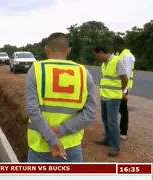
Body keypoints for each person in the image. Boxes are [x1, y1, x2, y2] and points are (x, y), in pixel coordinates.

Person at [26, 32, 97, 162]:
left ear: (46, 49)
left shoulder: (36, 69)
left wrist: (51, 139)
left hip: (40, 147)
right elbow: (90, 112)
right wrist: (61, 130)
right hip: (71, 147)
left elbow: (32, 110)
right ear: (68, 50)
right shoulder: (83, 72)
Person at [93, 45, 128, 157]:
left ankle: (115, 146)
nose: (96, 58)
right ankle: (108, 139)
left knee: (112, 122)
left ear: (102, 52)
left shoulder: (117, 61)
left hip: (113, 97)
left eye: (96, 55)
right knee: (105, 119)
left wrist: (121, 91)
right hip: (104, 95)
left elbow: (124, 78)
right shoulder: (104, 63)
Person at [113, 36, 135, 140]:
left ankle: (123, 132)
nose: (112, 47)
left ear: (118, 44)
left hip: (123, 88)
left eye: (113, 44)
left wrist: (123, 91)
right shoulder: (119, 55)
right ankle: (114, 130)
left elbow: (126, 74)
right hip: (117, 88)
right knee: (115, 109)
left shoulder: (127, 56)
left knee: (123, 110)